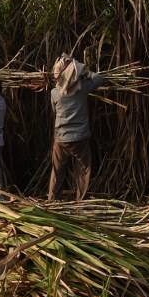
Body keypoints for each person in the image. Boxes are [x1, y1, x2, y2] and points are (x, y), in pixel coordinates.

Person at [48, 54, 104, 201]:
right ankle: (80, 201)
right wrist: (85, 72)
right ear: (75, 73)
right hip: (80, 138)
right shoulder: (82, 89)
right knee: (83, 169)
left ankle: (53, 201)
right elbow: (99, 78)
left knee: (57, 170)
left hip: (61, 137)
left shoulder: (54, 93)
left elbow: (54, 111)